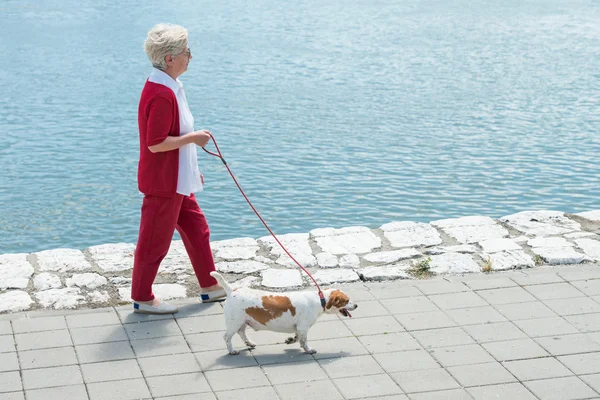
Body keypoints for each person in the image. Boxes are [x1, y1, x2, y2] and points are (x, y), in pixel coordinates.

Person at [131, 23, 225, 314]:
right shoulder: (161, 93)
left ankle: (210, 287)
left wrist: (190, 169)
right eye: (186, 52)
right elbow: (156, 144)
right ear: (170, 58)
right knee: (154, 242)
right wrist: (195, 139)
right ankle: (142, 297)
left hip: (177, 180)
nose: (190, 56)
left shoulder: (169, 85)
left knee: (198, 229)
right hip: (163, 183)